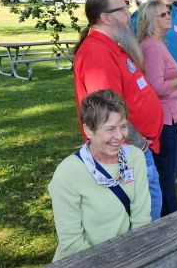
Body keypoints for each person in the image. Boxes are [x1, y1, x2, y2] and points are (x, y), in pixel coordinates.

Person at [72, 0, 164, 221]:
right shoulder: (97, 53)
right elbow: (106, 115)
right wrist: (139, 146)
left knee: (148, 211)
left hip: (136, 149)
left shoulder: (112, 46)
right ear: (106, 18)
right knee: (144, 217)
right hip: (129, 153)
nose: (128, 14)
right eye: (122, 10)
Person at [49, 89, 151, 261]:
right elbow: (72, 242)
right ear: (88, 131)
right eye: (110, 129)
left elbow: (141, 218)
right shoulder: (67, 174)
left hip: (128, 254)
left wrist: (133, 256)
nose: (119, 136)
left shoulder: (135, 157)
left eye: (124, 126)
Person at [131, 0, 177, 178]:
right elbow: (133, 45)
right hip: (155, 82)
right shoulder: (140, 15)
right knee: (160, 126)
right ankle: (157, 166)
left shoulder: (176, 12)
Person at [137, 0, 177, 216]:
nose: (168, 16)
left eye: (168, 12)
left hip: (171, 115)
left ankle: (166, 215)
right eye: (162, 15)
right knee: (166, 174)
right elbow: (155, 87)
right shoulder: (151, 46)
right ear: (150, 20)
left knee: (166, 172)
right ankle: (170, 219)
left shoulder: (160, 44)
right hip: (163, 119)